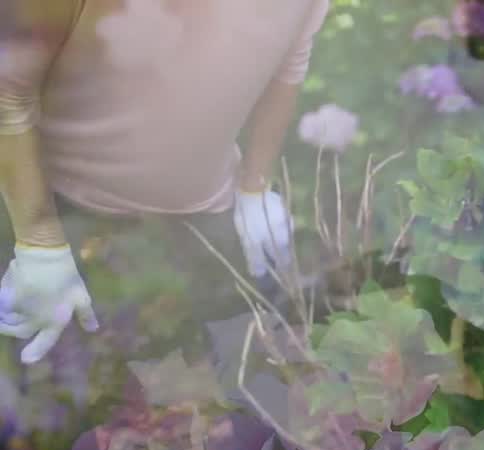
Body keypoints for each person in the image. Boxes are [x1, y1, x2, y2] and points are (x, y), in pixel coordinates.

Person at [0, 0, 330, 364]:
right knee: (50, 396)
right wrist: (39, 243)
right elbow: (8, 89)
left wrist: (256, 186)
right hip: (50, 214)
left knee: (250, 390)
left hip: (208, 219)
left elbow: (289, 65)